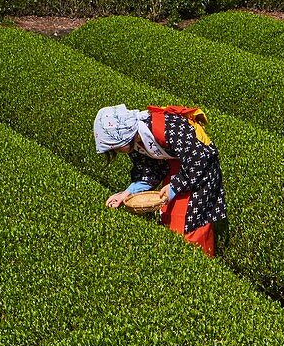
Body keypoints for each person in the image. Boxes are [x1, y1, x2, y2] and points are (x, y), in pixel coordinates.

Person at [94, 104, 228, 256]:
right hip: (179, 165)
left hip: (202, 165)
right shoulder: (134, 143)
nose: (117, 151)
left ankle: (203, 261)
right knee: (170, 215)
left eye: (117, 147)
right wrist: (126, 193)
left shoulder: (168, 128)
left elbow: (199, 159)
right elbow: (150, 170)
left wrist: (174, 187)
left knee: (191, 224)